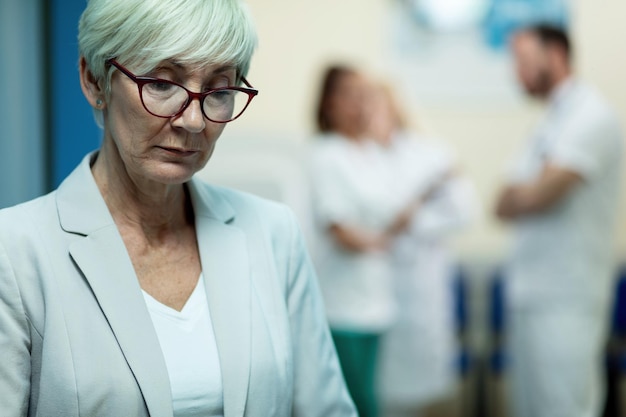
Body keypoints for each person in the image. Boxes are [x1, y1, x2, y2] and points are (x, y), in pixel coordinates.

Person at [0, 1, 357, 416]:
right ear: (94, 80)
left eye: (219, 91)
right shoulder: (14, 253)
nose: (192, 122)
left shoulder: (273, 233)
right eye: (161, 83)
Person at [494, 23, 623, 417]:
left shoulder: (593, 114)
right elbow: (500, 203)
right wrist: (527, 190)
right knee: (530, 407)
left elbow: (535, 194)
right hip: (531, 292)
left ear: (555, 55)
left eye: (522, 60)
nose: (514, 72)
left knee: (564, 407)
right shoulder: (549, 122)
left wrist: (528, 190)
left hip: (568, 295)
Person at [308, 66, 417, 417]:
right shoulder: (326, 154)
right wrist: (381, 241)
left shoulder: (373, 153)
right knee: (354, 401)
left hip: (377, 298)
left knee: (372, 394)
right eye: (350, 94)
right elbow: (339, 228)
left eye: (365, 94)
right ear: (329, 103)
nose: (360, 103)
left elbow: (395, 213)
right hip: (342, 305)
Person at [366, 82, 478, 417]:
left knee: (421, 395)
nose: (370, 115)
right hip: (375, 285)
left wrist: (412, 222)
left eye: (377, 106)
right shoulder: (357, 156)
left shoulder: (430, 154)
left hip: (421, 285)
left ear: (395, 108)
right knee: (379, 393)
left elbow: (466, 209)